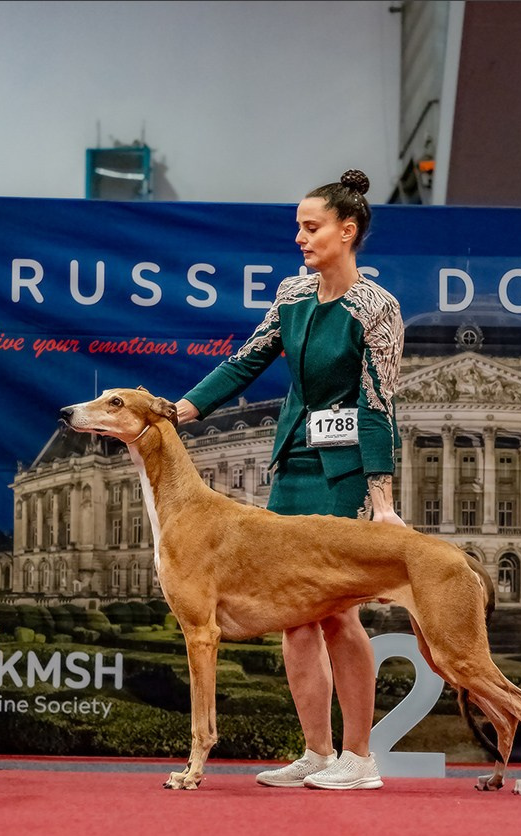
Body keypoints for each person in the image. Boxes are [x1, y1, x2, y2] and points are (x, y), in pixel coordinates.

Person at [175, 169, 405, 790]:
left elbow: (381, 403)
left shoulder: (376, 308)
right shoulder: (293, 294)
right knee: (294, 616)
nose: (299, 237)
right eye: (298, 227)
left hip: (346, 473)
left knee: (336, 613)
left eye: (311, 227)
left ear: (347, 231)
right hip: (295, 465)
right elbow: (246, 360)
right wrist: (182, 410)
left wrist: (382, 501)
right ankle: (317, 752)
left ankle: (360, 760)